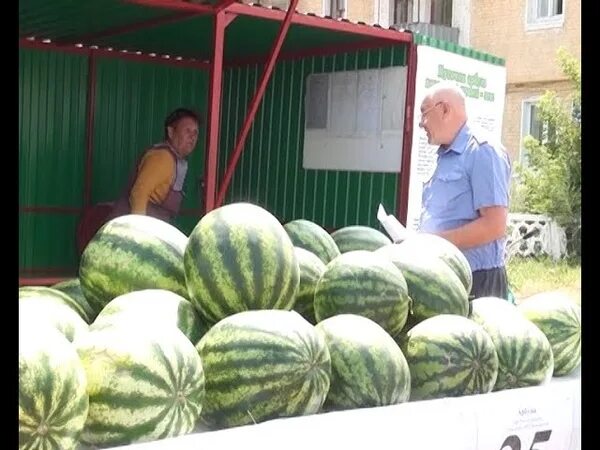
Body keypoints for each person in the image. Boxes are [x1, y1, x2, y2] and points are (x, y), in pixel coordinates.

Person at [417, 82, 512, 300]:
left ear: (444, 109)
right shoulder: (446, 154)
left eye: (424, 113)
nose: (421, 124)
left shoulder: (483, 151)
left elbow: (494, 225)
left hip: (477, 280)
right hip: (446, 275)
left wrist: (434, 243)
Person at [107, 107, 200, 224]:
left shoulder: (177, 161)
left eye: (195, 133)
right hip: (129, 229)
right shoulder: (163, 157)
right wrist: (139, 230)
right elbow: (138, 194)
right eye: (187, 131)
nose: (192, 137)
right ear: (170, 132)